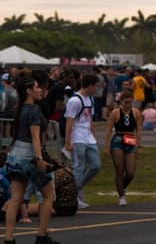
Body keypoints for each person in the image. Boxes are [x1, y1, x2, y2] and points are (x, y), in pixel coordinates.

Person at [4, 70, 59, 244]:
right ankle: (42, 235)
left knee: (15, 198)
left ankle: (9, 238)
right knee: (48, 196)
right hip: (30, 154)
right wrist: (39, 158)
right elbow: (35, 136)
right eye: (36, 87)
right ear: (28, 91)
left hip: (16, 155)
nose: (40, 90)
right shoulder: (34, 110)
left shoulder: (19, 108)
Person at [64, 73, 100, 210]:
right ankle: (74, 197)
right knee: (78, 167)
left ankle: (77, 188)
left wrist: (94, 137)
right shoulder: (75, 100)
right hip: (77, 137)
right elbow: (69, 122)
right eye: (95, 86)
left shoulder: (90, 99)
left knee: (95, 166)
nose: (96, 89)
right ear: (90, 86)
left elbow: (90, 120)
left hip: (88, 137)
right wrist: (68, 142)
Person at [103, 90, 142, 206]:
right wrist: (106, 147)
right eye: (126, 103)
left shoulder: (136, 113)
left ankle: (121, 187)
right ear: (121, 102)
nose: (128, 105)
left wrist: (139, 146)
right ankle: (121, 196)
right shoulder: (115, 113)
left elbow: (139, 130)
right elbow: (109, 130)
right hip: (118, 140)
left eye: (130, 103)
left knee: (130, 172)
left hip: (130, 139)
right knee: (119, 169)